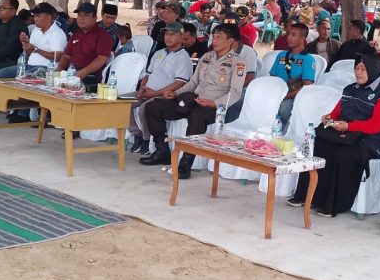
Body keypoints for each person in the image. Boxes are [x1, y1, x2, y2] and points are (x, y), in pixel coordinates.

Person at [288, 53, 380, 216]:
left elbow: (376, 126)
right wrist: (328, 118)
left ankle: (332, 204)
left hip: (369, 142)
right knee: (314, 145)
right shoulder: (350, 89)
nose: (359, 72)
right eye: (356, 68)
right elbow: (336, 112)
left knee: (341, 154)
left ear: (374, 70)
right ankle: (306, 196)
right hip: (347, 135)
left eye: (363, 69)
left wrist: (349, 126)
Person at [140, 23, 246, 178]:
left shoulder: (238, 63)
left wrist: (214, 103)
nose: (214, 41)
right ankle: (162, 150)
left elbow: (235, 93)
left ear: (230, 41)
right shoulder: (206, 57)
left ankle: (185, 163)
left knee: (197, 116)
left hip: (214, 106)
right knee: (153, 107)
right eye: (213, 37)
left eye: (219, 38)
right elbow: (192, 83)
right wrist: (175, 93)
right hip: (192, 99)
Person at [128, 22, 193, 155]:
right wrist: (143, 88)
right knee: (121, 103)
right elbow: (148, 74)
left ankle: (146, 141)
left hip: (163, 95)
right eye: (166, 34)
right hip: (147, 91)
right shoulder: (159, 53)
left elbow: (180, 83)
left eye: (172, 34)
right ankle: (137, 134)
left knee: (143, 109)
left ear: (182, 38)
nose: (168, 37)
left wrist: (154, 94)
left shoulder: (183, 57)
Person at [55, 2, 113, 90]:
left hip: (90, 78)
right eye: (79, 15)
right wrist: (57, 73)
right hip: (70, 75)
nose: (81, 18)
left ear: (95, 18)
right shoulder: (76, 35)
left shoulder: (103, 36)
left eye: (86, 15)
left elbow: (102, 58)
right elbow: (66, 56)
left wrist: (83, 72)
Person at [269, 22, 316, 129]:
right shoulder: (281, 55)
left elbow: (307, 87)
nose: (289, 37)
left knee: (284, 109)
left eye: (293, 35)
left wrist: (285, 96)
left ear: (303, 38)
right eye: (288, 34)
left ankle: (282, 134)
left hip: (293, 96)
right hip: (277, 93)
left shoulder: (308, 59)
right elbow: (272, 78)